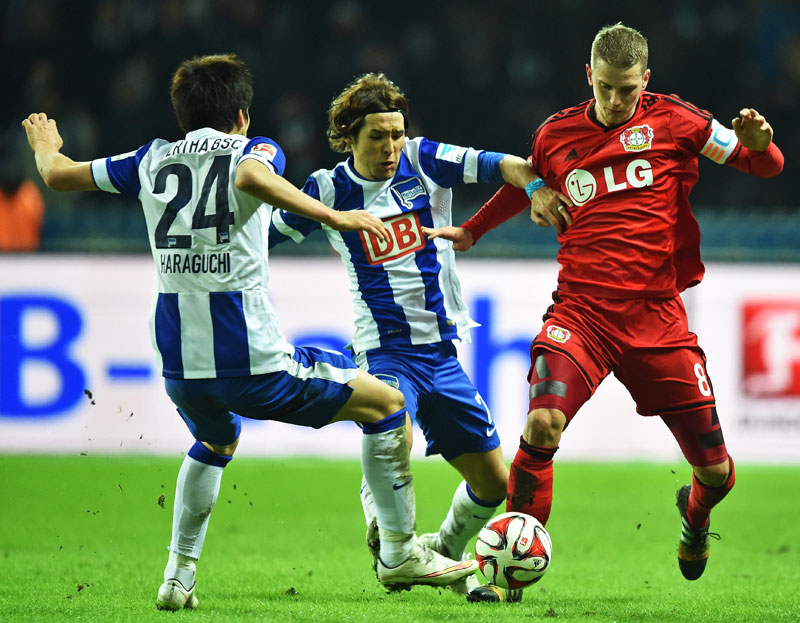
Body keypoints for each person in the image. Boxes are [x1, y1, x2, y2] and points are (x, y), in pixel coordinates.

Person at [21, 54, 477, 611]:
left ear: (182, 113)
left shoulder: (148, 158)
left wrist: (45, 145)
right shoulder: (256, 150)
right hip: (252, 360)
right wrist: (336, 217)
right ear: (241, 114)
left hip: (181, 365)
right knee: (386, 403)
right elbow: (247, 176)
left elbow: (57, 175)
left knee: (215, 441)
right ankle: (401, 551)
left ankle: (178, 577)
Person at [423, 23, 784, 602]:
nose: (615, 101)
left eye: (627, 89)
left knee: (716, 473)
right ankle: (507, 577)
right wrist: (472, 229)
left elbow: (765, 167)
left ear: (647, 79)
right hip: (581, 314)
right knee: (542, 424)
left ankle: (694, 517)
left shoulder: (678, 122)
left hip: (657, 320)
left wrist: (762, 145)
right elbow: (526, 182)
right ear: (588, 76)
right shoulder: (556, 134)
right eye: (605, 88)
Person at [268, 73, 540, 596]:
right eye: (377, 136)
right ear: (348, 136)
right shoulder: (328, 190)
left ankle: (445, 549)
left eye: (396, 134)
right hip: (384, 350)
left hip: (440, 353)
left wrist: (533, 187)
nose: (390, 147)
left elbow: (504, 163)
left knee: (493, 483)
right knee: (392, 427)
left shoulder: (424, 158)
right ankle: (392, 539)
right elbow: (263, 237)